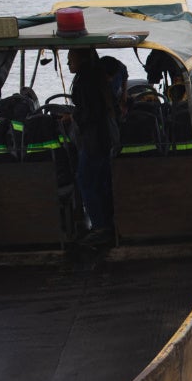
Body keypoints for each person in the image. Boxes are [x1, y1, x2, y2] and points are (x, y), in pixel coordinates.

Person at [66, 48, 127, 246]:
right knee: (101, 181)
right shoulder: (97, 74)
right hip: (103, 139)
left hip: (94, 140)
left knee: (85, 180)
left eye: (70, 58)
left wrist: (74, 116)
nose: (68, 63)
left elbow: (91, 112)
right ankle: (108, 222)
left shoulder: (86, 80)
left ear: (81, 58)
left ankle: (100, 226)